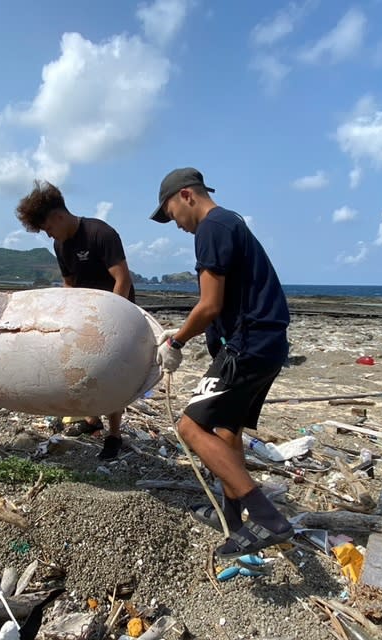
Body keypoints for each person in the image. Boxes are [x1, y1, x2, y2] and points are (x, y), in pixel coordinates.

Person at [149, 167, 293, 560]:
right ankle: (234, 520)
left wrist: (175, 341)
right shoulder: (232, 223)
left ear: (186, 196)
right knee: (227, 429)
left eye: (170, 213)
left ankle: (268, 518)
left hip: (247, 346)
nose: (174, 224)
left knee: (189, 426)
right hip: (268, 343)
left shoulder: (212, 228)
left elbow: (209, 305)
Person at [15, 180, 135, 460]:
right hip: (84, 315)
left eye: (48, 228)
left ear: (58, 216)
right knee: (84, 368)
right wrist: (65, 315)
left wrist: (112, 318)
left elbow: (123, 278)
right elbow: (68, 283)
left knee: (112, 374)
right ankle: (93, 420)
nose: (48, 235)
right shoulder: (60, 245)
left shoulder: (100, 233)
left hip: (115, 312)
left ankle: (114, 435)